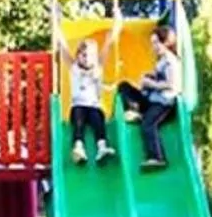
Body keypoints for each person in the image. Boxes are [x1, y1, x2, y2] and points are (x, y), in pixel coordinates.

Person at [116, 24, 182, 171]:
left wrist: (151, 83)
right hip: (152, 100)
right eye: (152, 43)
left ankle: (157, 157)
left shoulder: (170, 61)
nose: (154, 47)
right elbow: (157, 76)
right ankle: (136, 112)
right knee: (124, 86)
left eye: (157, 43)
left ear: (166, 42)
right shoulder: (161, 60)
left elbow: (172, 85)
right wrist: (149, 76)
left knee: (148, 125)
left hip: (163, 104)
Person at [67, 38, 117, 166]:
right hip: (78, 105)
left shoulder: (97, 69)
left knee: (98, 118)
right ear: (78, 56)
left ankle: (102, 147)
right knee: (78, 119)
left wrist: (113, 32)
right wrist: (57, 29)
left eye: (90, 56)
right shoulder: (74, 68)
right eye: (84, 55)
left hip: (94, 106)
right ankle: (78, 147)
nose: (87, 58)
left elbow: (106, 48)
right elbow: (63, 49)